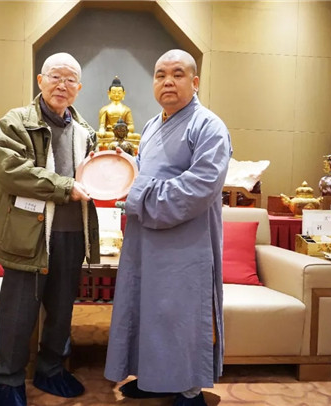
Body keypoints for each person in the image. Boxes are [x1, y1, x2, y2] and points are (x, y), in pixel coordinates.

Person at [104, 49, 232, 406]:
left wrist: (138, 194)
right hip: (145, 239)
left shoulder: (209, 127)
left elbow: (200, 187)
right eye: (161, 75)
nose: (168, 82)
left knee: (179, 314)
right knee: (148, 310)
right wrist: (119, 171)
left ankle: (189, 390)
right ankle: (154, 379)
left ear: (195, 82)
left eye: (177, 74)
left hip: (185, 242)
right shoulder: (150, 126)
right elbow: (139, 172)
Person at [0, 52, 100, 406]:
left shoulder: (85, 131)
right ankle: (8, 380)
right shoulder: (15, 123)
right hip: (28, 234)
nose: (62, 85)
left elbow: (92, 176)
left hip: (71, 233)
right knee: (18, 311)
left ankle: (50, 368)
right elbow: (11, 172)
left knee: (62, 308)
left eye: (70, 80)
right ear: (40, 81)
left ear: (79, 88)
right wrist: (65, 187)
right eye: (55, 77)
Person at [97, 76, 141, 150]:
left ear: (123, 93)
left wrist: (122, 128)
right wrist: (102, 130)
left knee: (137, 136)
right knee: (97, 135)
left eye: (119, 92)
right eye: (114, 92)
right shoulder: (105, 109)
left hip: (123, 134)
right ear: (109, 93)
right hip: (110, 133)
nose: (116, 94)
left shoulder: (126, 109)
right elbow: (102, 126)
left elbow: (131, 127)